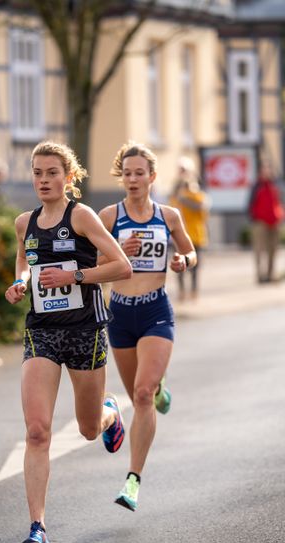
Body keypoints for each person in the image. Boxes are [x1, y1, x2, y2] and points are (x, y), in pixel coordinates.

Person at [5, 140, 132, 543]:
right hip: (41, 330)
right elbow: (24, 263)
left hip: (85, 330)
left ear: (68, 177)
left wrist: (74, 275)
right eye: (37, 173)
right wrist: (21, 282)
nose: (43, 180)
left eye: (52, 173)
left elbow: (121, 266)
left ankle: (109, 411)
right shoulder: (25, 222)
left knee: (88, 429)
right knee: (37, 431)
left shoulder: (82, 216)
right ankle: (38, 529)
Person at [98, 141, 197, 512]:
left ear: (152, 177)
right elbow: (91, 258)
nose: (133, 179)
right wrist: (118, 255)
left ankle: (133, 480)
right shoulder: (109, 217)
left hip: (155, 309)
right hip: (120, 315)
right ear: (121, 177)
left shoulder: (168, 216)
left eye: (140, 172)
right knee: (138, 394)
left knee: (140, 394)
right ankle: (154, 392)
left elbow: (189, 249)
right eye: (127, 173)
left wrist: (184, 261)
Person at [169, 156, 209, 301]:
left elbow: (202, 208)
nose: (182, 174)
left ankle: (194, 291)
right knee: (178, 265)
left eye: (184, 170)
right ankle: (182, 292)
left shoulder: (196, 193)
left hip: (195, 234)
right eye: (180, 170)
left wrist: (185, 199)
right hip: (178, 236)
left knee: (194, 266)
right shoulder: (175, 192)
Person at [247, 161, 284, 284]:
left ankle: (270, 274)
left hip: (274, 220)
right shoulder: (256, 186)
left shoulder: (275, 185)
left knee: (273, 249)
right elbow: (250, 203)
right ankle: (260, 275)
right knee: (259, 249)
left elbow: (279, 201)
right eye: (265, 170)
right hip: (260, 221)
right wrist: (254, 218)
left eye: (269, 169)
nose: (267, 172)